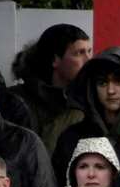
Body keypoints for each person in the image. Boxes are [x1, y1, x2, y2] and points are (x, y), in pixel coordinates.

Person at [51, 45, 120, 186]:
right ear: (92, 88)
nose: (110, 90)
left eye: (119, 81)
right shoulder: (72, 138)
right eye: (102, 82)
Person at [9, 23, 91, 156]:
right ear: (55, 59)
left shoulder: (88, 101)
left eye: (89, 51)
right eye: (79, 53)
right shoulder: (16, 101)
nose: (88, 59)